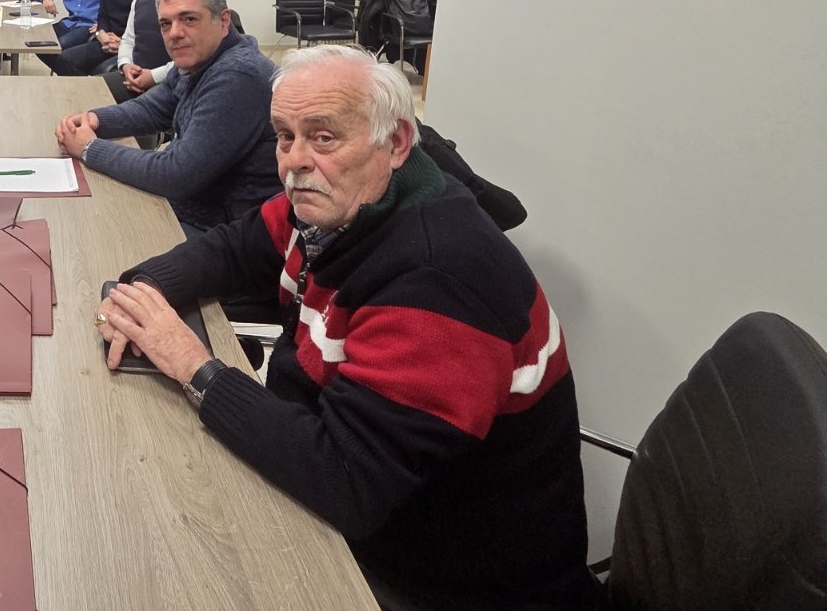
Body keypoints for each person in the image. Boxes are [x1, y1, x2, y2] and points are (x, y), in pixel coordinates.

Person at [94, 45, 599, 611]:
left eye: (324, 137)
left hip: (442, 577)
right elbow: (236, 247)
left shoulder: (437, 282)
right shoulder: (341, 201)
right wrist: (142, 290)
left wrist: (194, 366)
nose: (295, 162)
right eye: (285, 137)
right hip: (358, 494)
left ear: (397, 143)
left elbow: (347, 480)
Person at [53, 0, 279, 235]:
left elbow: (176, 174)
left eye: (189, 19)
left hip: (227, 231)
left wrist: (90, 148)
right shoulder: (200, 59)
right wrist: (96, 119)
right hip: (198, 207)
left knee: (95, 231)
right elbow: (153, 109)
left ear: (223, 21)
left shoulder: (238, 76)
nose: (175, 33)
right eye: (165, 24)